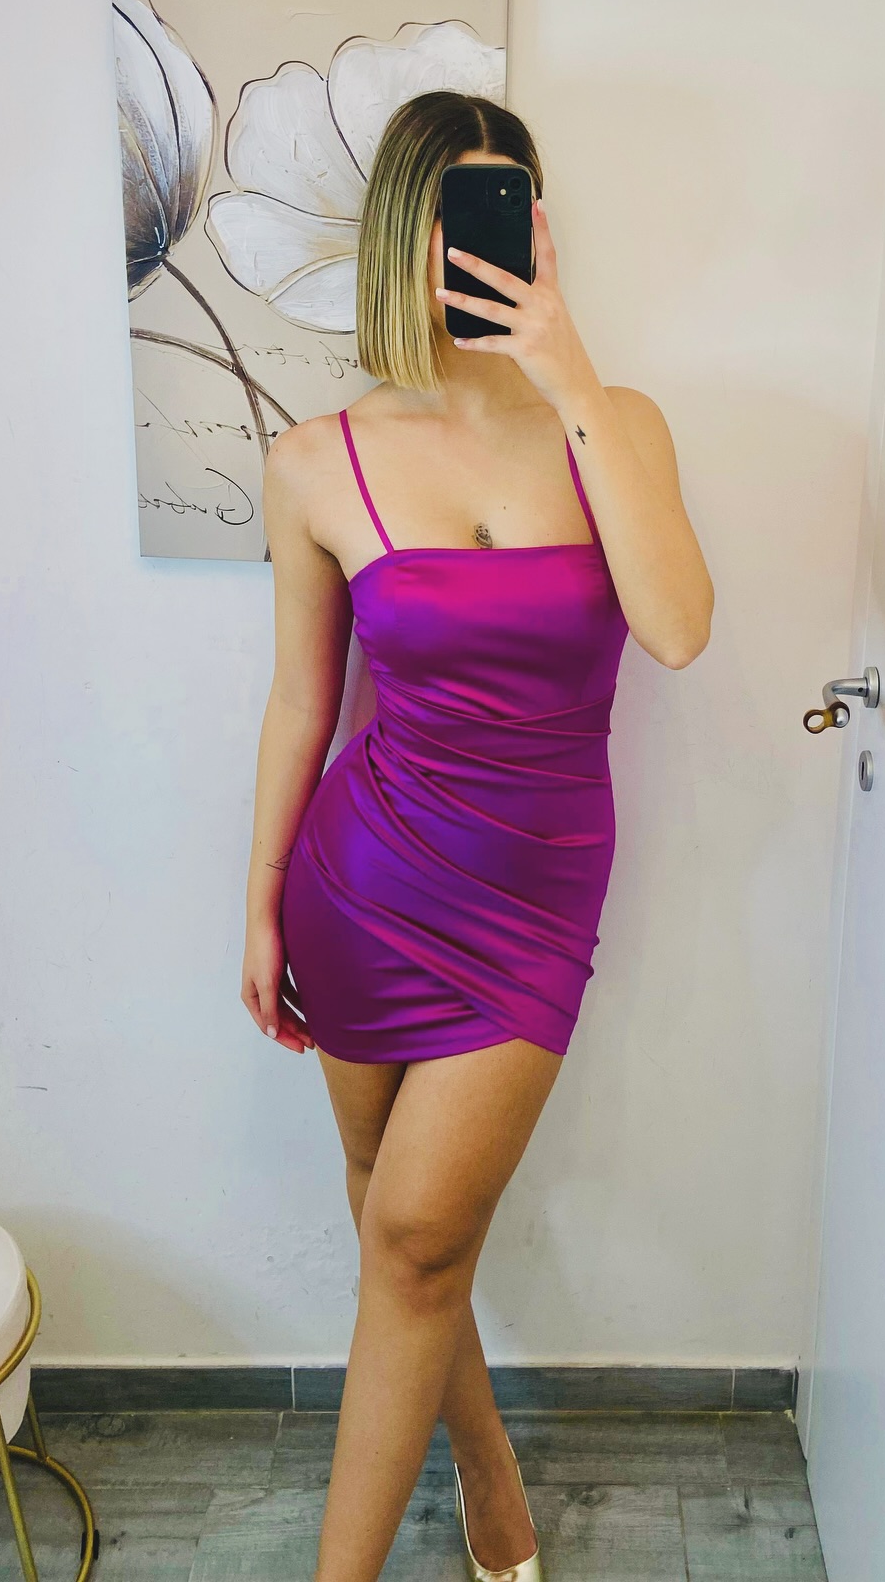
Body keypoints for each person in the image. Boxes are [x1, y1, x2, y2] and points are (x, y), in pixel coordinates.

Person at [240, 89, 713, 1582]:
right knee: (402, 1229)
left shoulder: (618, 426)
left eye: (509, 208)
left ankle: (429, 1512)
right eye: (452, 213)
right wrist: (260, 902)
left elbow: (680, 628)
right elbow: (301, 702)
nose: (481, 245)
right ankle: (487, 1471)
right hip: (360, 885)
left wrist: (569, 377)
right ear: (402, 233)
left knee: (413, 1238)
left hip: (532, 902)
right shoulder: (318, 460)